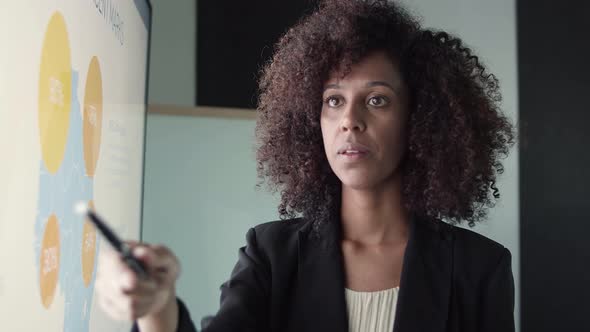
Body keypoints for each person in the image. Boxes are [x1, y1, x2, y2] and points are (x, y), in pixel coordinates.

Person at [95, 0, 517, 331]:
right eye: (333, 100)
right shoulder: (271, 255)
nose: (350, 119)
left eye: (377, 99)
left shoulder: (479, 268)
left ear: (420, 119)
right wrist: (158, 307)